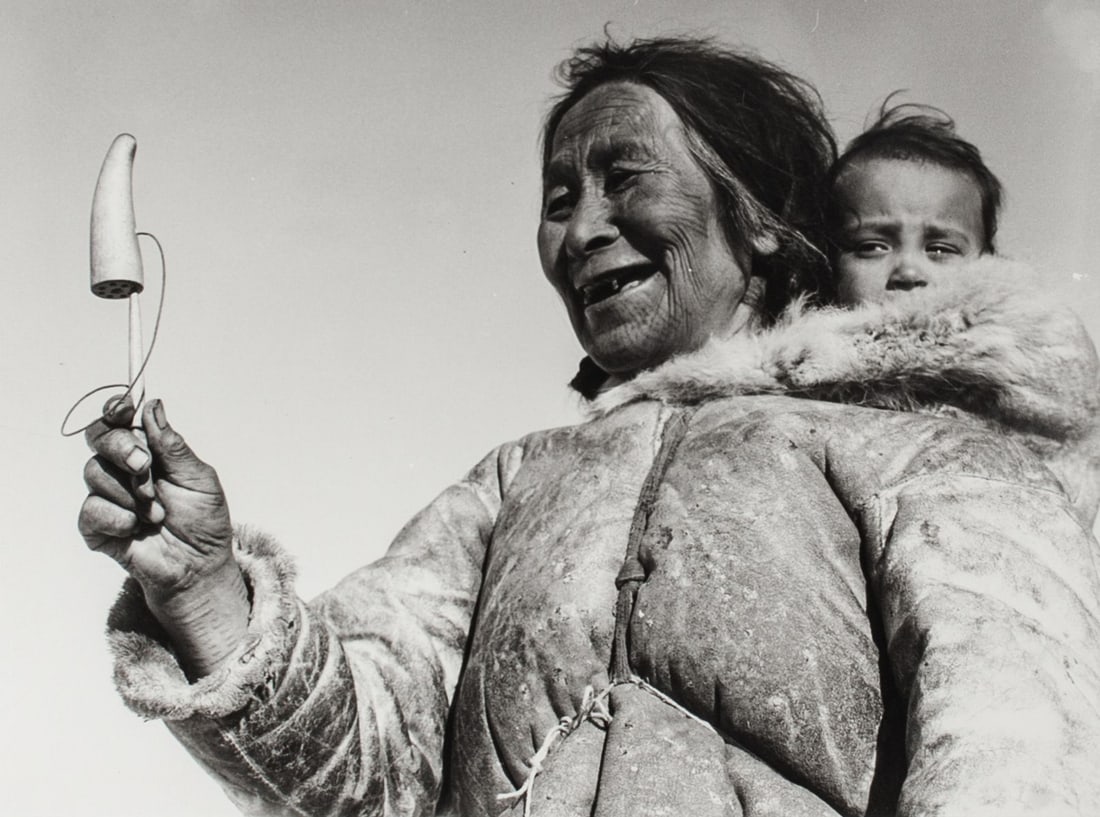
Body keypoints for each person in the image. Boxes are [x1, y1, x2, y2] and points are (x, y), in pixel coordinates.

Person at [80, 37, 1100, 817]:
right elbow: (371, 765)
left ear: (754, 218)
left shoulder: (929, 453)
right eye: (559, 197)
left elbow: (1016, 754)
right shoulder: (511, 485)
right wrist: (202, 588)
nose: (580, 229)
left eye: (626, 176)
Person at [799, 100, 1100, 525]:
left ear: (987, 266)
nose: (908, 271)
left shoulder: (1021, 357)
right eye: (872, 247)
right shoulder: (809, 371)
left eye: (939, 249)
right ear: (830, 264)